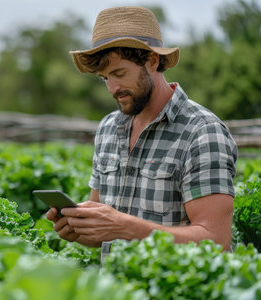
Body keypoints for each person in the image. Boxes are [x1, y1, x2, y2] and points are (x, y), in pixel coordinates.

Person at [46, 6, 237, 258]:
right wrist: (79, 229)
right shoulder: (107, 129)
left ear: (152, 61)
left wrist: (126, 227)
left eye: (119, 73)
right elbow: (104, 233)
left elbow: (215, 241)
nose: (112, 88)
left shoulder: (202, 132)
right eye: (104, 78)